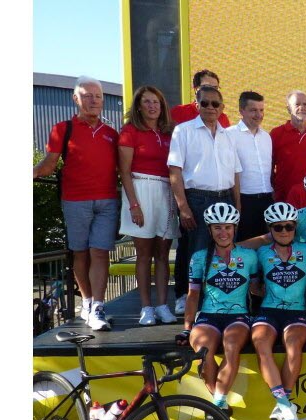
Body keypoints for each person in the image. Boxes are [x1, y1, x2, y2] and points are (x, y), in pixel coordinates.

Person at [34, 76, 119, 331]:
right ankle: (88, 302)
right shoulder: (63, 128)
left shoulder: (111, 133)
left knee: (100, 252)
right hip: (75, 201)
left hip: (107, 200)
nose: (93, 101)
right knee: (80, 253)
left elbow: (125, 167)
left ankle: (98, 307)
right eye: (87, 95)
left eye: (97, 96)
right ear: (76, 99)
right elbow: (49, 164)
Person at [176, 203, 257, 420]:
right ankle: (219, 406)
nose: (223, 232)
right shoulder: (200, 258)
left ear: (235, 229)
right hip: (209, 316)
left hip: (238, 316)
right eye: (218, 228)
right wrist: (186, 328)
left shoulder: (248, 256)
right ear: (210, 231)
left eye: (228, 228)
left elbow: (255, 288)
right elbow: (192, 296)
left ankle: (213, 411)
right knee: (204, 352)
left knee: (231, 347)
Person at [167, 85, 241, 316]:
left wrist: (237, 205)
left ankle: (218, 304)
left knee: (224, 254)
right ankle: (195, 309)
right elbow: (175, 170)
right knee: (197, 255)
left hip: (226, 199)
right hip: (197, 200)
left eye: (215, 104)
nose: (210, 108)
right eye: (205, 103)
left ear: (222, 108)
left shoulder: (228, 136)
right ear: (197, 105)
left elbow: (235, 172)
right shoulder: (183, 131)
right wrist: (183, 206)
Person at [117, 85, 179, 326]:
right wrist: (134, 204)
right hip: (140, 190)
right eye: (147, 102)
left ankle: (163, 305)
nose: (153, 106)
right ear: (139, 106)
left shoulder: (169, 133)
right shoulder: (130, 131)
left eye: (156, 102)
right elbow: (124, 170)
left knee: (163, 253)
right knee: (143, 254)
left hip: (165, 191)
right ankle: (146, 307)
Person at [249, 202, 306, 420]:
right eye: (278, 228)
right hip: (268, 310)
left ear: (295, 227)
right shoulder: (261, 252)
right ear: (270, 230)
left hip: (297, 311)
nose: (284, 231)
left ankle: (282, 403)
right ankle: (285, 404)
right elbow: (253, 284)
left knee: (294, 345)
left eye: (289, 227)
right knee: (261, 343)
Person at [230, 91, 274, 241]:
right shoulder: (230, 135)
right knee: (244, 245)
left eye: (261, 110)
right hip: (244, 201)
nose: (258, 114)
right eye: (253, 110)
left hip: (267, 199)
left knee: (267, 245)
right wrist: (237, 203)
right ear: (241, 111)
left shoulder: (267, 137)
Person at [270, 90, 306, 202]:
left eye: (305, 104)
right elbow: (269, 167)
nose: (302, 107)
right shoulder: (276, 134)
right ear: (288, 108)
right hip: (284, 197)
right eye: (297, 104)